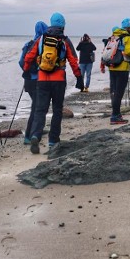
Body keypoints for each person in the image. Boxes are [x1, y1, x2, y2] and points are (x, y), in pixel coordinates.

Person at [22, 12, 81, 154]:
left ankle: (35, 135)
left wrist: (25, 70)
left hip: (42, 79)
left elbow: (29, 56)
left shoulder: (41, 38)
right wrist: (79, 77)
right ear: (63, 25)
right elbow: (73, 60)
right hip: (59, 80)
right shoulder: (65, 40)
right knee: (57, 111)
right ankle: (53, 140)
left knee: (40, 110)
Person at [105, 17, 130, 125]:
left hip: (112, 66)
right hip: (122, 68)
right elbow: (129, 51)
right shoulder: (128, 38)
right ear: (129, 27)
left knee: (113, 92)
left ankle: (116, 114)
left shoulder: (114, 36)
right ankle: (115, 116)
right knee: (119, 93)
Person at [19, 21, 48, 144]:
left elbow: (21, 62)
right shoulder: (43, 45)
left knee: (35, 106)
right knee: (37, 108)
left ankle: (32, 133)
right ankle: (30, 135)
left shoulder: (28, 45)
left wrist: (28, 72)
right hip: (39, 80)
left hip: (28, 81)